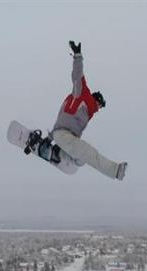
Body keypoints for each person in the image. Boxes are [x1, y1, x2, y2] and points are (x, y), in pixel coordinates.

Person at [50, 41, 127, 180]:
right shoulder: (81, 94)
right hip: (62, 135)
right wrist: (78, 56)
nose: (99, 108)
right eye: (100, 105)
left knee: (82, 159)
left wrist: (50, 138)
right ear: (97, 100)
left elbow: (65, 120)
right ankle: (116, 171)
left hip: (64, 137)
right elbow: (77, 75)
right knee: (90, 153)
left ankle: (59, 154)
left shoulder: (88, 114)